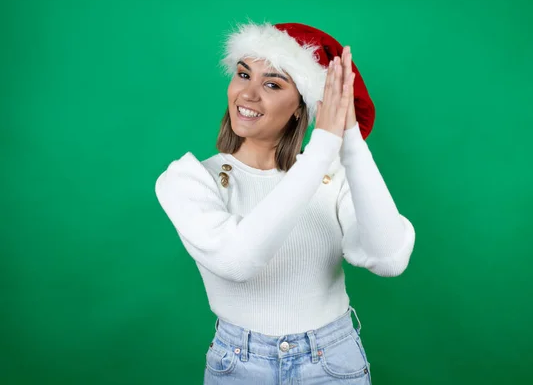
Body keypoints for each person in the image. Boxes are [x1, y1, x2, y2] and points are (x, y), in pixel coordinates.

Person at [155, 22, 416, 384]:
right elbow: (237, 260)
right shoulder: (189, 180)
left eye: (272, 84)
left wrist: (349, 138)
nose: (247, 94)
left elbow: (389, 258)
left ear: (301, 108)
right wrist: (323, 147)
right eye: (243, 74)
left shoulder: (332, 175)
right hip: (239, 364)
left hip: (332, 362)